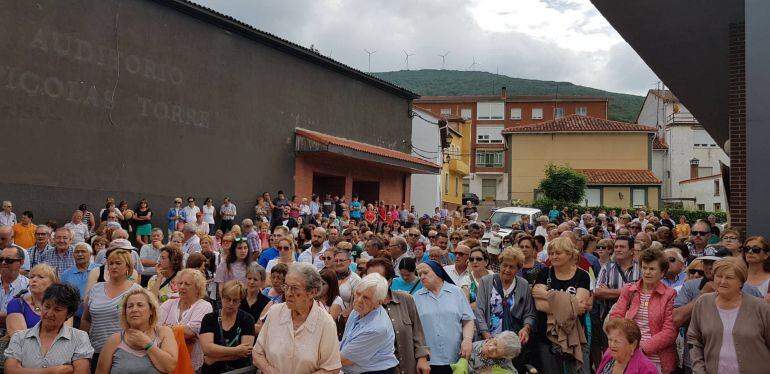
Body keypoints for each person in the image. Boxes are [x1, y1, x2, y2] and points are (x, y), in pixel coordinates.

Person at [672, 254, 764, 373]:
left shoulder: (757, 302)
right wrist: (699, 369)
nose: (723, 281)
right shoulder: (700, 299)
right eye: (719, 276)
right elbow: (691, 335)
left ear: (741, 280)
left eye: (729, 277)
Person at [252, 262, 342, 373]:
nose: (288, 293)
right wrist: (270, 371)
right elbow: (257, 353)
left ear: (312, 292)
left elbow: (332, 369)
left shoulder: (325, 323)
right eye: (286, 287)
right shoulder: (275, 312)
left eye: (294, 288)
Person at [608, 249, 678, 373]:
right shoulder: (629, 290)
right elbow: (615, 318)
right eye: (644, 268)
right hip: (627, 353)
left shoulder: (670, 294)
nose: (647, 272)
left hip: (657, 359)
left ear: (662, 273)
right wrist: (627, 345)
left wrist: (640, 348)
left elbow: (670, 332)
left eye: (652, 269)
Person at [532, 237, 592, 373]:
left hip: (575, 336)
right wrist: (569, 304)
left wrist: (548, 294)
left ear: (570, 254)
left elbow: (579, 307)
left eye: (558, 253)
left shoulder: (582, 276)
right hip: (547, 336)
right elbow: (539, 306)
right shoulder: (544, 273)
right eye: (551, 253)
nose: (553, 256)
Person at [4, 284, 94, 373]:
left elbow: (81, 371)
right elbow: (10, 370)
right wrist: (53, 371)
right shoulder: (19, 337)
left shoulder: (79, 338)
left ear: (69, 314)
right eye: (47, 307)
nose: (49, 313)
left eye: (57, 309)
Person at [474, 247, 536, 371]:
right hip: (488, 342)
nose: (507, 270)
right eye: (504, 265)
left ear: (518, 269)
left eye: (512, 267)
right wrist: (487, 336)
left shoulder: (523, 284)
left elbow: (529, 313)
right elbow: (479, 311)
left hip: (511, 345)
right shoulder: (486, 282)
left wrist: (526, 328)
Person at [365, 258, 430, 374]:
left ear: (389, 281)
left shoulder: (406, 299)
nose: (371, 283)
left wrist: (422, 358)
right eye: (369, 278)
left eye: (377, 279)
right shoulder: (362, 306)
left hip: (407, 367)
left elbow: (417, 332)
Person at [94, 287, 177, 374]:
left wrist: (147, 344)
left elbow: (169, 367)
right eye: (130, 306)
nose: (134, 309)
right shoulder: (115, 339)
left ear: (151, 310)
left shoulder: (163, 332)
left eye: (140, 305)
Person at [81, 249, 142, 366]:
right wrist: (82, 345)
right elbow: (86, 319)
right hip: (96, 351)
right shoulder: (95, 289)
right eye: (111, 263)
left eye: (118, 263)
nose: (113, 267)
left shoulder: (136, 291)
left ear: (128, 267)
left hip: (125, 351)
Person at [413, 260, 475, 374]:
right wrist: (420, 357)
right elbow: (414, 330)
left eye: (425, 273)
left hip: (455, 357)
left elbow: (468, 320)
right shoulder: (416, 297)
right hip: (429, 361)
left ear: (438, 272)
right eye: (419, 274)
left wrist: (467, 340)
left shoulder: (456, 292)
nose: (422, 277)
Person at [339, 273, 399, 374]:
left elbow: (343, 359)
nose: (358, 300)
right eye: (358, 293)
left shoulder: (377, 328)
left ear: (379, 303)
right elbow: (346, 341)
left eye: (366, 298)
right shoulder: (358, 310)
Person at [159, 268, 213, 372]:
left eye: (187, 284)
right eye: (180, 283)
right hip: (167, 362)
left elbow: (191, 332)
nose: (182, 287)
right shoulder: (169, 303)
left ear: (197, 288)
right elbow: (155, 327)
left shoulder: (204, 306)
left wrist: (166, 328)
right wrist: (179, 331)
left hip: (191, 363)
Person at [200, 280, 255, 373]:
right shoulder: (209, 318)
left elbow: (245, 352)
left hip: (239, 370)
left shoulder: (247, 319)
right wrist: (236, 350)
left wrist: (215, 358)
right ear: (222, 297)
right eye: (227, 299)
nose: (230, 303)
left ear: (240, 301)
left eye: (235, 300)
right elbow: (207, 349)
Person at [5, 263, 58, 337]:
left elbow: (66, 337)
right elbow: (20, 339)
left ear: (53, 283)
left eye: (40, 277)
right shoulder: (17, 304)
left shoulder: (63, 304)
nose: (34, 280)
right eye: (32, 277)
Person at [61, 242, 99, 328]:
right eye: (77, 252)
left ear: (90, 254)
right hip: (75, 318)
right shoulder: (66, 274)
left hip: (97, 317)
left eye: (83, 251)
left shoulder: (99, 269)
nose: (80, 254)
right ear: (73, 255)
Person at [0, 245, 29, 324]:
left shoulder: (29, 286)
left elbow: (27, 315)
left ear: (21, 263)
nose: (3, 263)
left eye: (9, 260)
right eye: (1, 259)